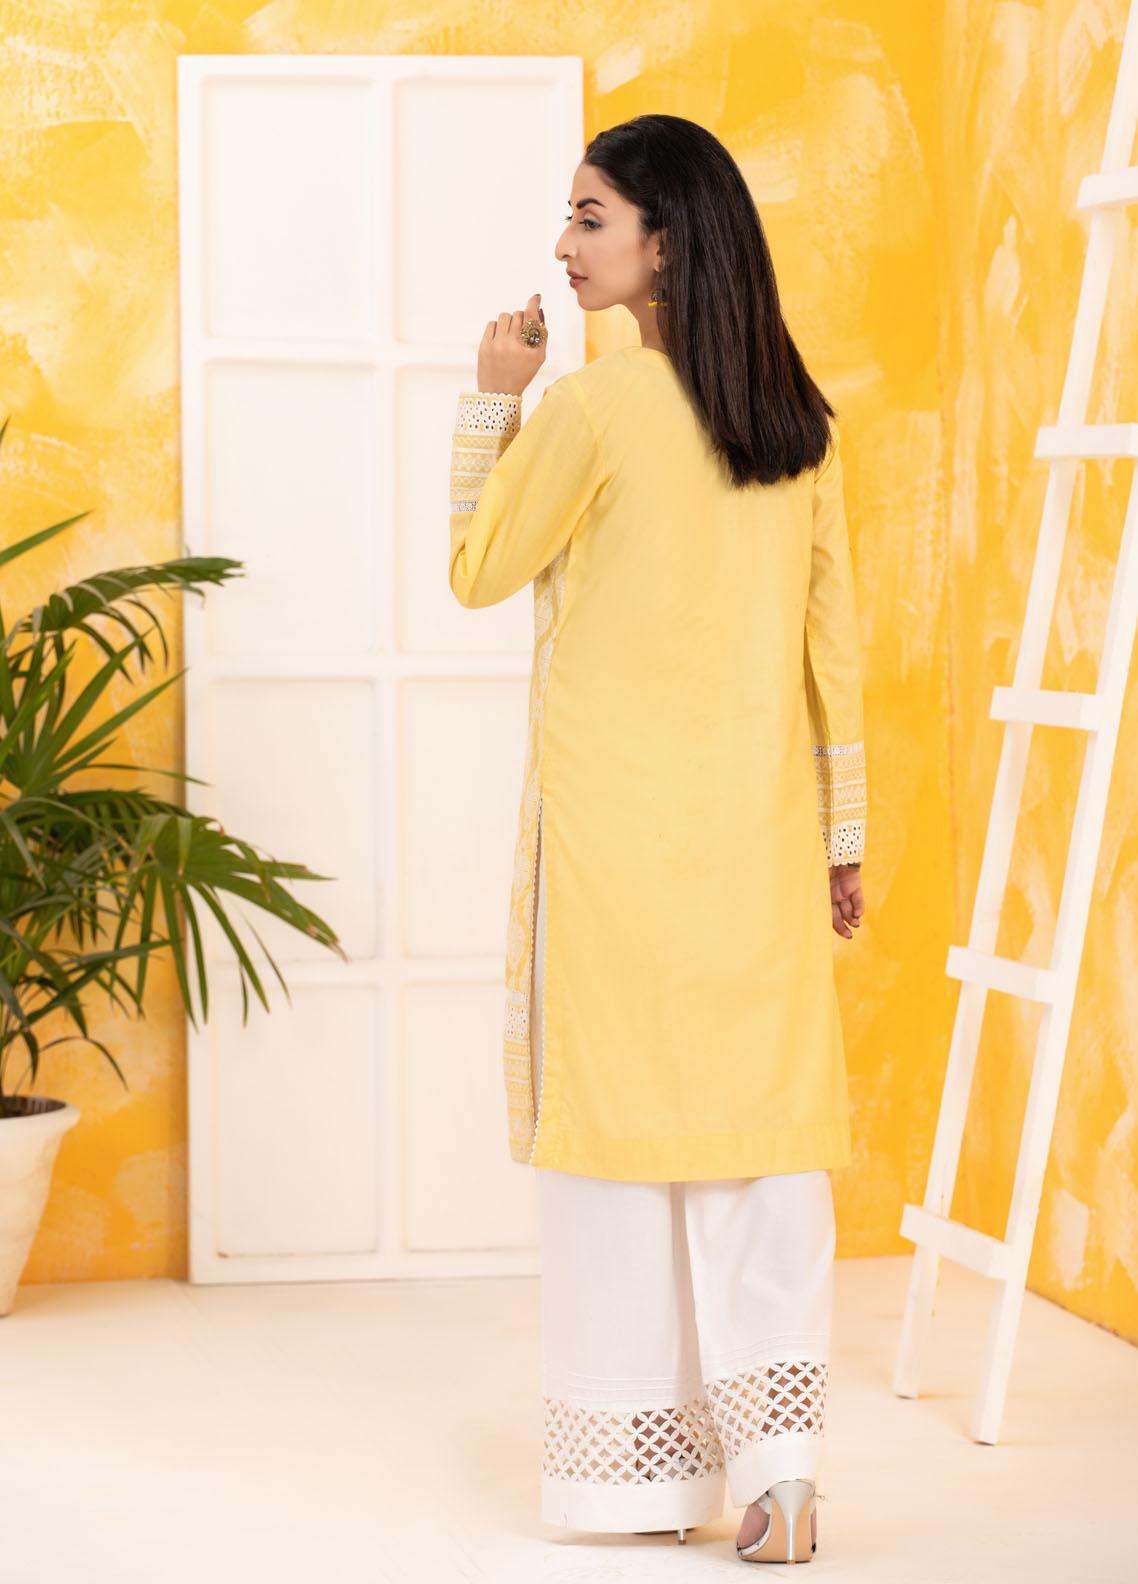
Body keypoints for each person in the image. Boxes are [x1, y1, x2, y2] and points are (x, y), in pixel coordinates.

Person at [448, 113, 866, 1565]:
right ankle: (784, 1477)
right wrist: (843, 838)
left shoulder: (593, 406)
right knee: (762, 1148)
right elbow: (832, 648)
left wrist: (492, 403)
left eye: (589, 217)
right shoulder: (799, 426)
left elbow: (478, 568)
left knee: (619, 1148)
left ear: (665, 242)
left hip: (615, 845)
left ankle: (637, 1484)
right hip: (761, 840)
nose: (564, 246)